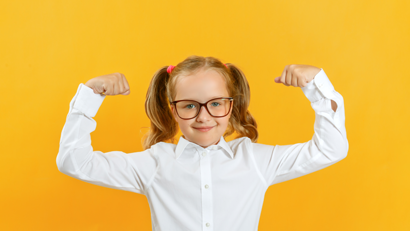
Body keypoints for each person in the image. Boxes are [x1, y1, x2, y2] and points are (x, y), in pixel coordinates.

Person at [56, 55, 348, 231]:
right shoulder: (155, 163)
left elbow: (330, 149)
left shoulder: (256, 161)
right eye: (190, 106)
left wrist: (318, 87)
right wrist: (90, 96)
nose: (204, 116)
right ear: (174, 109)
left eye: (216, 103)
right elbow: (74, 162)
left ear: (231, 106)